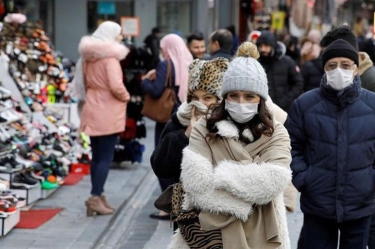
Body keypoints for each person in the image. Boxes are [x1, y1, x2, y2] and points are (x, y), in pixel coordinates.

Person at [168, 42, 292, 249]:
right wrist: (250, 189)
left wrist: (221, 175)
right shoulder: (204, 127)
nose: (240, 102)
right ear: (225, 97)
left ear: (260, 99)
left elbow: (274, 180)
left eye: (249, 96)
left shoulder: (276, 132)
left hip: (263, 233)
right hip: (209, 235)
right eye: (233, 95)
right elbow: (197, 185)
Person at [285, 39, 375, 249]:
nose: (339, 70)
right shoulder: (305, 104)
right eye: (332, 65)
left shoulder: (372, 104)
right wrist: (304, 178)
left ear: (355, 69)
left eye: (345, 65)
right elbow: (291, 146)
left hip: (359, 203)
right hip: (318, 202)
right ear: (324, 69)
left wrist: (371, 181)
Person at [150, 57, 229, 226]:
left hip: (224, 216)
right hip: (188, 217)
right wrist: (185, 137)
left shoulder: (232, 126)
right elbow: (160, 166)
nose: (200, 104)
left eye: (207, 98)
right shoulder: (179, 122)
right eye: (194, 97)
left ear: (220, 100)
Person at [78, 21, 130, 216]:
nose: (121, 37)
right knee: (105, 158)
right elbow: (116, 87)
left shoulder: (88, 59)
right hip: (108, 110)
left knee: (97, 156)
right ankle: (95, 196)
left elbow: (84, 82)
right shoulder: (110, 60)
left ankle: (98, 196)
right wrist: (127, 97)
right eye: (118, 33)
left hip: (92, 107)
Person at [141, 33, 193, 220]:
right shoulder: (189, 62)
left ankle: (168, 206)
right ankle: (178, 202)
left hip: (167, 118)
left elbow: (156, 90)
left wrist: (146, 80)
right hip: (185, 114)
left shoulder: (166, 64)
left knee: (162, 157)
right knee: (179, 160)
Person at [256, 30, 304, 112]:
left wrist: (286, 100)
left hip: (283, 110)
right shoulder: (255, 63)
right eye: (260, 46)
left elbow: (298, 83)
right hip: (262, 111)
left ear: (273, 46)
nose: (263, 49)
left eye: (266, 46)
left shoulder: (287, 62)